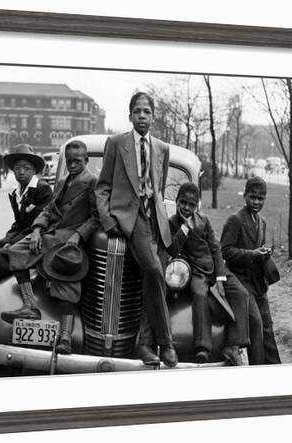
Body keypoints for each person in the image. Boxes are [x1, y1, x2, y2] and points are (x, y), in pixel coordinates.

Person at [0, 141, 99, 354]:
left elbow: (96, 217)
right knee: (3, 254)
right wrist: (38, 229)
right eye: (69, 161)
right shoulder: (65, 181)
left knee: (4, 256)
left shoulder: (92, 182)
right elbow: (48, 211)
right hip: (47, 237)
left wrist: (78, 235)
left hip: (65, 242)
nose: (73, 165)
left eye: (78, 161)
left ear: (86, 161)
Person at [95, 91, 177, 367]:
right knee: (154, 271)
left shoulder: (162, 149)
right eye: (137, 111)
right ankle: (165, 344)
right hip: (132, 218)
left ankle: (143, 344)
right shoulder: (117, 143)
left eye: (147, 112)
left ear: (153, 116)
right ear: (130, 115)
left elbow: (160, 188)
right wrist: (109, 221)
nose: (142, 116)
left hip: (157, 221)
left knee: (154, 280)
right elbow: (103, 186)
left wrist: (161, 217)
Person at [165, 182, 264, 365]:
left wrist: (220, 277)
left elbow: (216, 249)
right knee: (199, 294)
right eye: (183, 203)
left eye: (191, 204)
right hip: (195, 271)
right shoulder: (172, 223)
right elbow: (173, 250)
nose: (186, 207)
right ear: (177, 202)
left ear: (197, 206)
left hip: (215, 270)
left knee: (241, 293)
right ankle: (203, 346)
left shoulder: (204, 220)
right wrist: (185, 228)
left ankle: (234, 344)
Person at [221, 176, 282, 364]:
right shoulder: (235, 220)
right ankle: (257, 368)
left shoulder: (261, 222)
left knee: (267, 326)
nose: (256, 202)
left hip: (257, 282)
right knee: (255, 322)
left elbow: (257, 248)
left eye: (261, 198)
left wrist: (264, 252)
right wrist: (253, 253)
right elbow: (226, 250)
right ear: (245, 196)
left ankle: (275, 368)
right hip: (240, 281)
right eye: (253, 197)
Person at [0, 144, 52, 273]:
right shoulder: (16, 192)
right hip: (19, 237)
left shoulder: (42, 189)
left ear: (34, 170)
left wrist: (11, 243)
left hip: (34, 239)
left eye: (26, 168)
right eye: (17, 168)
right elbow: (18, 223)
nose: (21, 172)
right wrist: (8, 240)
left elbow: (36, 225)